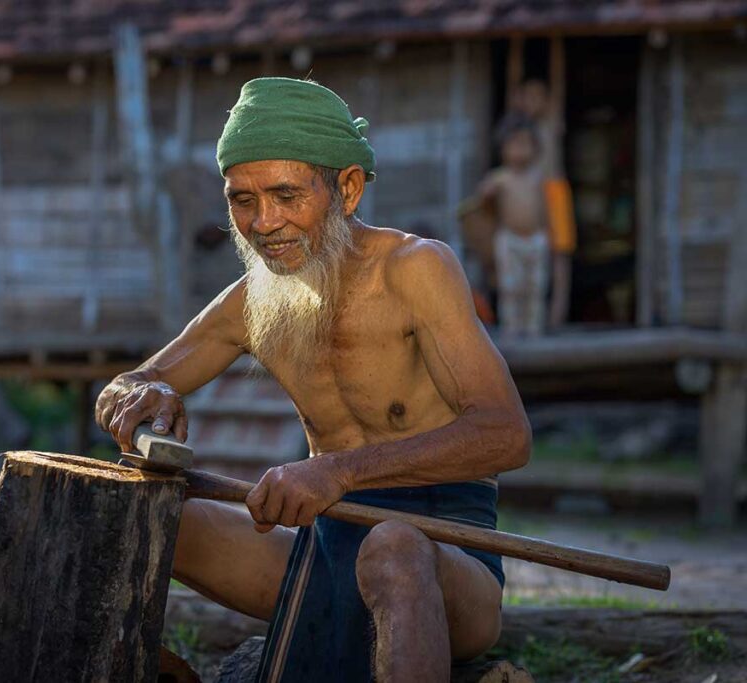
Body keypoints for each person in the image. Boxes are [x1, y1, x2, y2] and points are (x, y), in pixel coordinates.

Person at [95, 78, 531, 683]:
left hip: (443, 548)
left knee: (394, 547)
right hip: (321, 550)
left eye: (285, 195)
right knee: (142, 515)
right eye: (242, 200)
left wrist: (337, 471)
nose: (264, 222)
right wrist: (148, 391)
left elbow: (507, 435)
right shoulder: (253, 298)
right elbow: (124, 384)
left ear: (347, 189)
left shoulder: (417, 269)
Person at [509, 36, 576, 328]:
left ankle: (556, 318)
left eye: (540, 95)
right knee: (526, 254)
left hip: (555, 190)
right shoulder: (519, 126)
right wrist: (516, 44)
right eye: (528, 95)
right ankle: (525, 320)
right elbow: (512, 84)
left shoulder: (553, 121)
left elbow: (559, 81)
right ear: (521, 99)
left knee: (560, 254)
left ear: (548, 99)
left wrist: (556, 39)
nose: (534, 101)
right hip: (530, 194)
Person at [478, 115, 550, 338]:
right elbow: (482, 198)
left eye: (525, 143)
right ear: (503, 148)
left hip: (536, 239)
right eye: (514, 144)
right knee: (511, 287)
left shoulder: (538, 177)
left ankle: (533, 329)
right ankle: (512, 328)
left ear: (535, 148)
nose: (520, 149)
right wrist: (487, 192)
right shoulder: (501, 178)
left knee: (535, 286)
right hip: (509, 239)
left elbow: (545, 209)